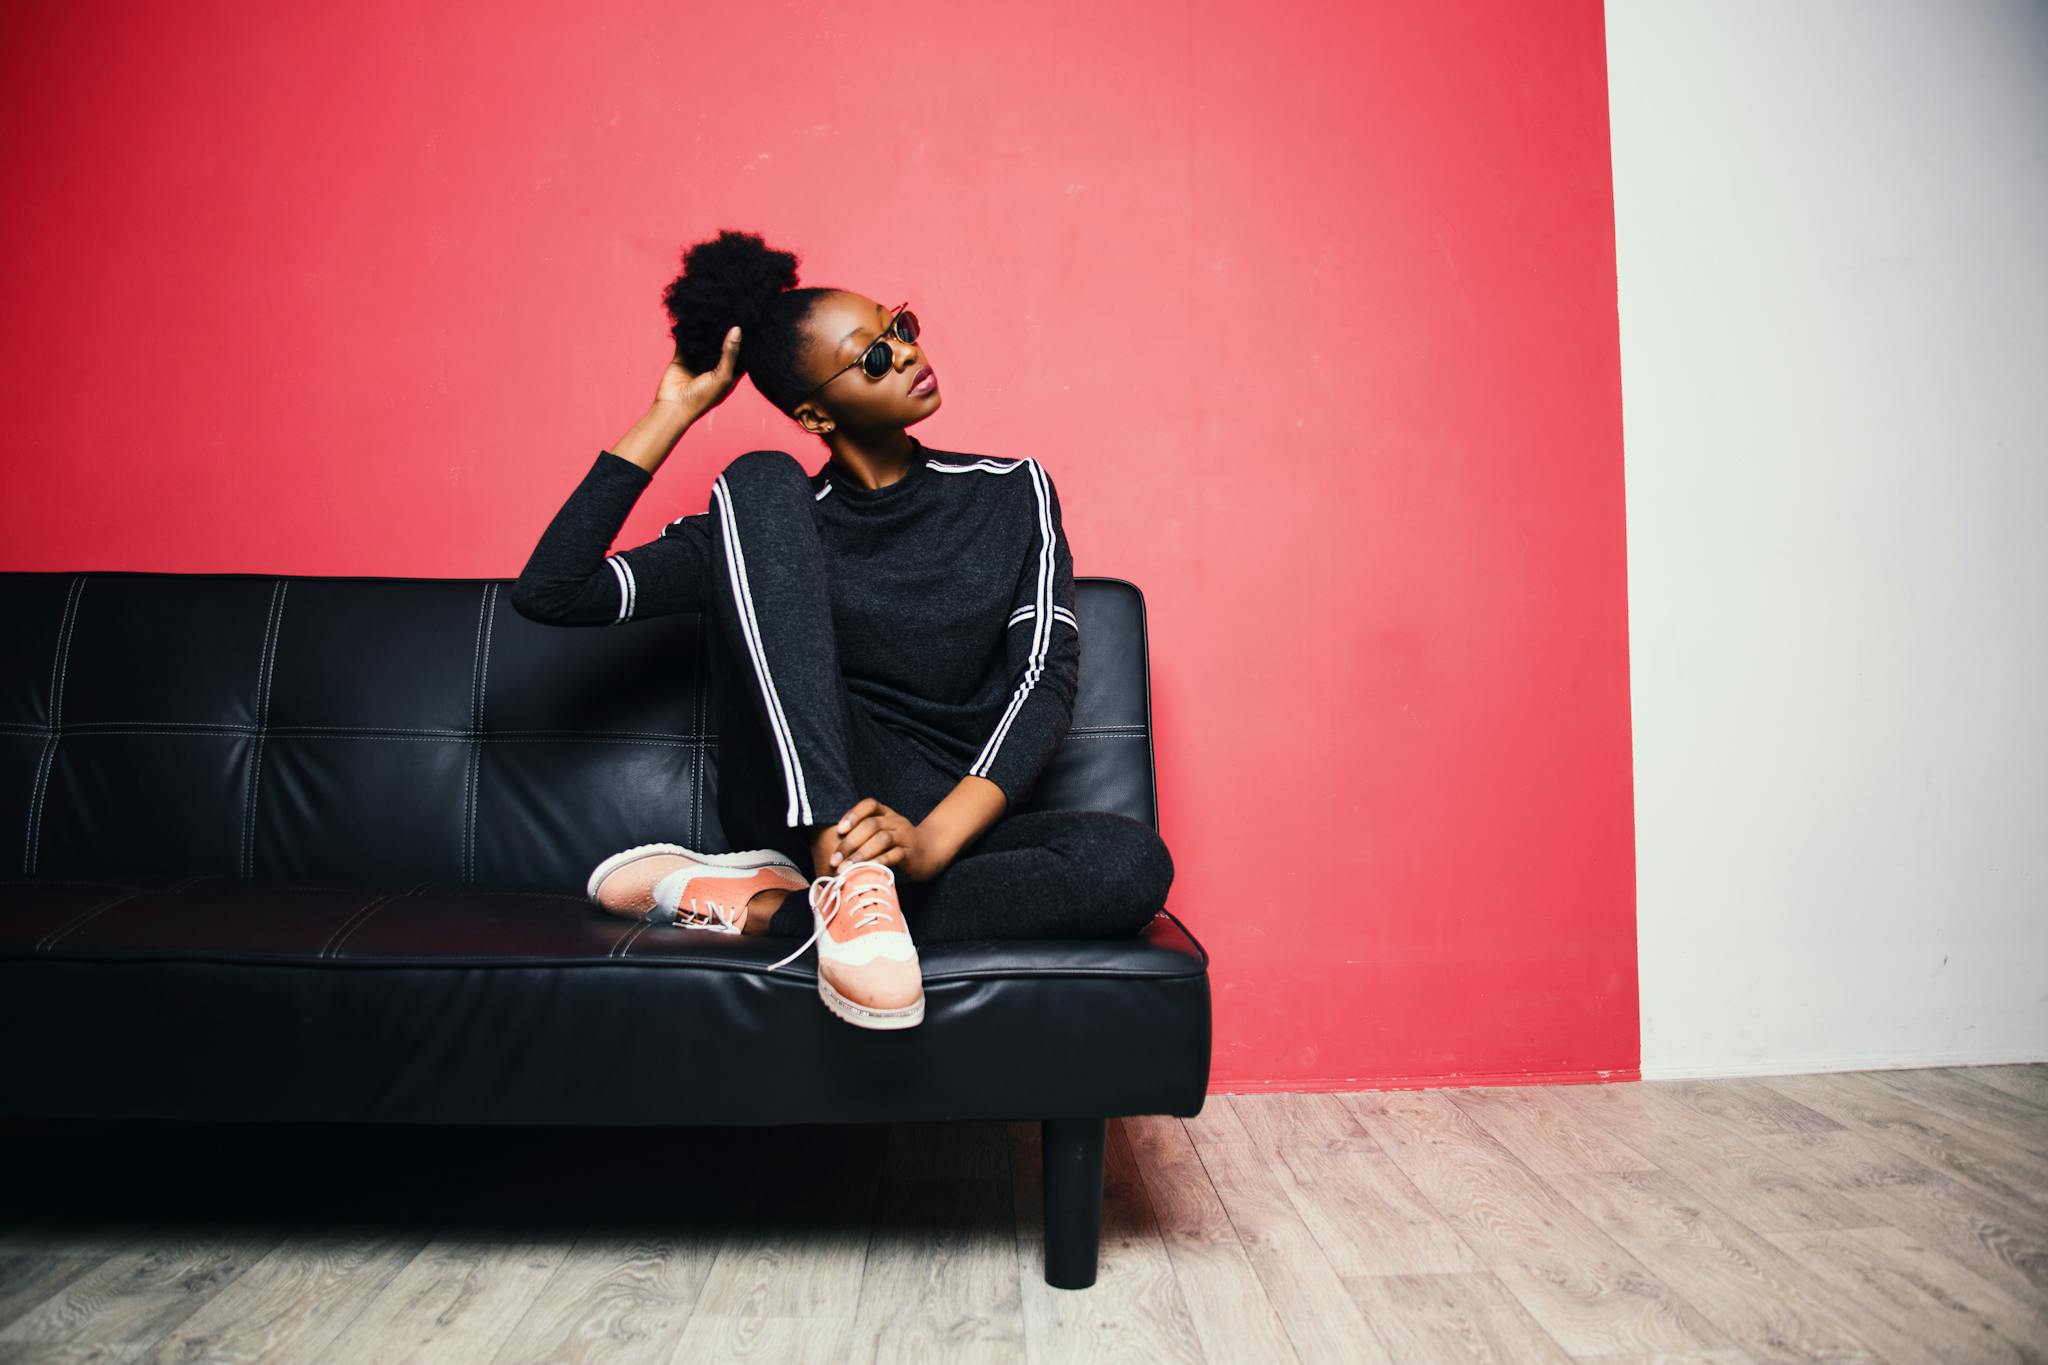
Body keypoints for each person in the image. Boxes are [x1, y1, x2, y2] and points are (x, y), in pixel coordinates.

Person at [508, 229, 1174, 1031]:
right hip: (805, 801)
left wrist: (930, 843)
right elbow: (555, 591)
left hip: (946, 818)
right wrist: (672, 410)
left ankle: (767, 907)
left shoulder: (1010, 491)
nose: (907, 353)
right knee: (761, 476)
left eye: (900, 327)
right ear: (815, 412)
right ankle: (838, 864)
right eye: (873, 356)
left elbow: (1044, 677)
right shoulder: (764, 528)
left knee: (1130, 864)